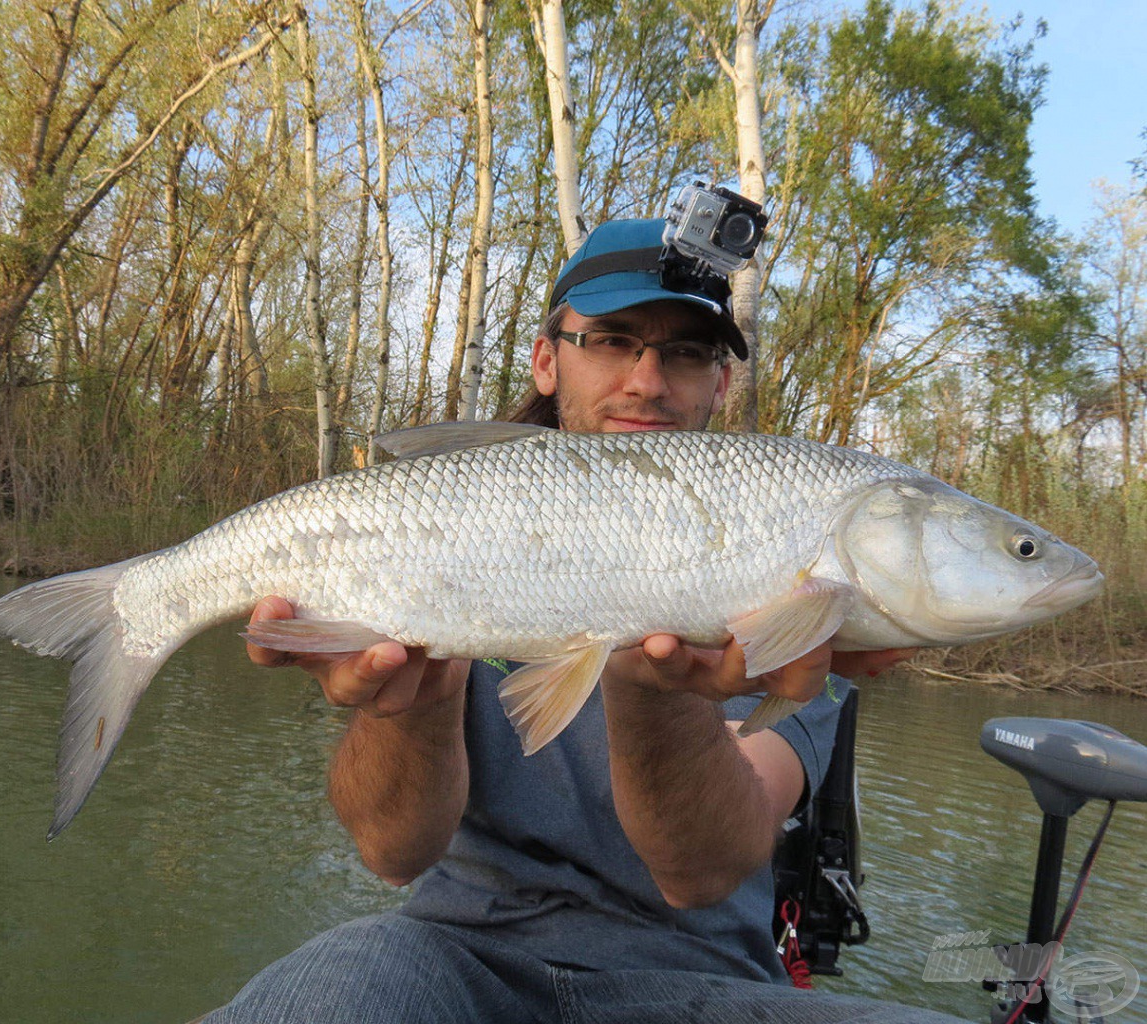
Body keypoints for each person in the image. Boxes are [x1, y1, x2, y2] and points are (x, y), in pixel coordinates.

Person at [202, 219, 967, 1023]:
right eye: (610, 340)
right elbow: (392, 855)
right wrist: (417, 697)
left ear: (720, 387)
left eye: (686, 353)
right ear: (545, 359)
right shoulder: (460, 528)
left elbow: (699, 875)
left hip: (706, 981)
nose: (646, 381)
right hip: (453, 954)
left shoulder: (798, 564)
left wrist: (656, 690)